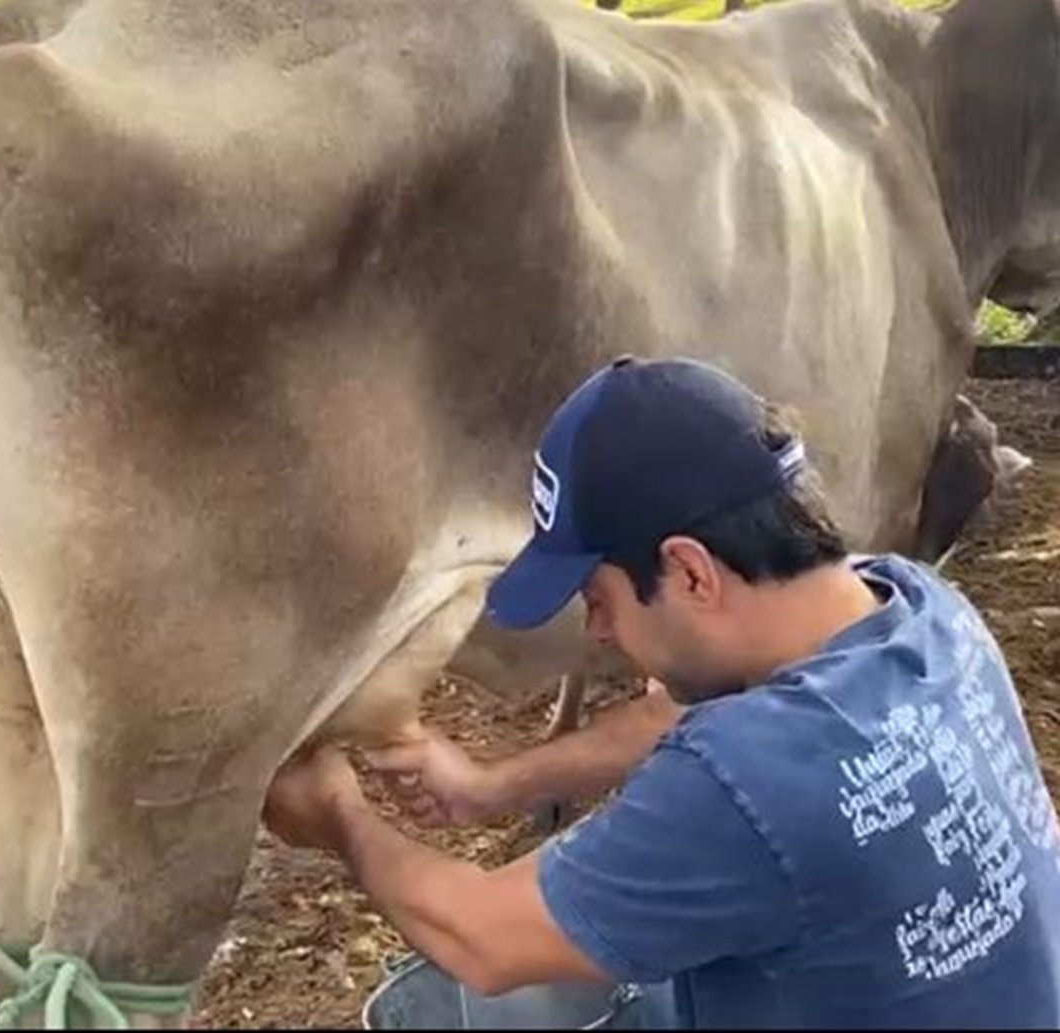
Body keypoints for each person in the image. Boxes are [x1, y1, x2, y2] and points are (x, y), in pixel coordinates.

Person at [264, 356, 1060, 1028]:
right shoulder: (916, 607)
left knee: (437, 1007)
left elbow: (483, 940)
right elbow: (675, 711)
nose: (600, 632)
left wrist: (341, 816)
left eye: (600, 601)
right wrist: (489, 785)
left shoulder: (753, 779)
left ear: (688, 571)